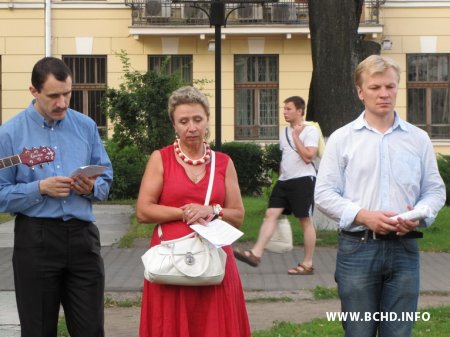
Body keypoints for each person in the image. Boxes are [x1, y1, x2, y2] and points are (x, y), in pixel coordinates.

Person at [315, 55, 446, 337]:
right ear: (360, 92)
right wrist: (364, 216)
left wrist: (420, 215)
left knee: (398, 332)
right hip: (358, 249)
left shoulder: (417, 139)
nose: (384, 94)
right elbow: (323, 194)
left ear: (398, 87)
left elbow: (434, 190)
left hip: (405, 249)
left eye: (390, 86)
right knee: (359, 332)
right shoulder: (342, 138)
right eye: (375, 87)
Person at [0, 57, 113, 337]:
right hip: (35, 240)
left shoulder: (86, 126)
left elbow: (106, 177)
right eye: (54, 96)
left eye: (67, 94)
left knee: (91, 330)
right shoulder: (9, 134)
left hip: (83, 238)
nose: (62, 103)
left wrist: (91, 188)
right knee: (37, 330)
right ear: (33, 91)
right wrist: (39, 189)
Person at [136, 86, 251, 337]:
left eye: (198, 119)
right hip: (171, 260)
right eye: (184, 121)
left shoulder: (223, 162)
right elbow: (143, 211)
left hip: (215, 260)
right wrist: (185, 213)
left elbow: (238, 216)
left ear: (207, 119)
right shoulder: (160, 159)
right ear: (174, 125)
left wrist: (211, 210)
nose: (192, 127)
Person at [233, 96, 319, 275]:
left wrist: (296, 135)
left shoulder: (310, 131)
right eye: (284, 109)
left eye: (288, 109)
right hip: (284, 182)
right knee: (271, 213)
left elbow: (308, 156)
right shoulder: (283, 132)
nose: (284, 112)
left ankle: (307, 263)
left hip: (303, 180)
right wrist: (280, 178)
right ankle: (255, 254)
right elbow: (285, 158)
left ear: (299, 111)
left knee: (305, 221)